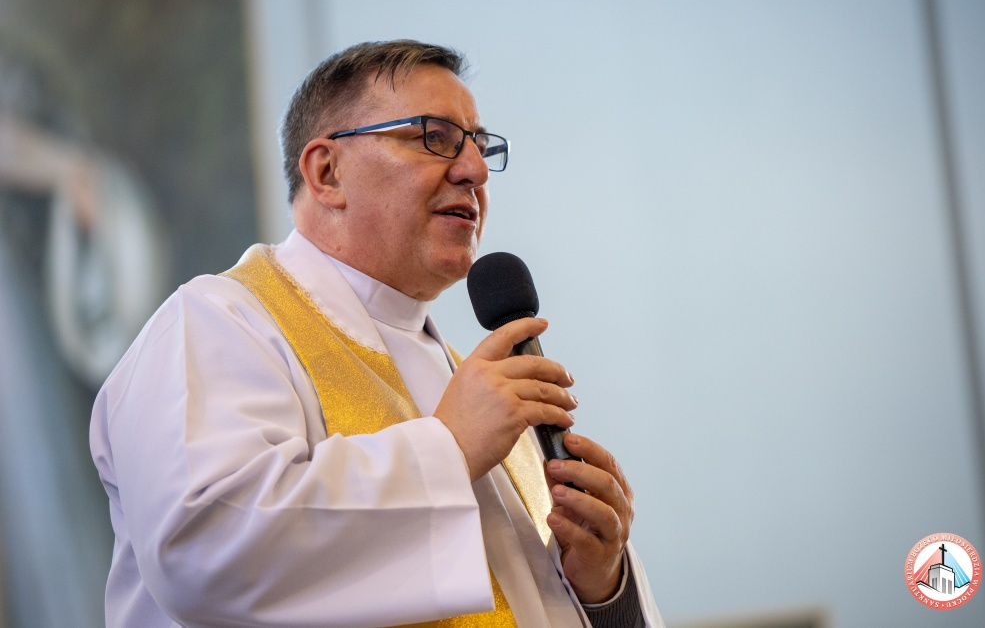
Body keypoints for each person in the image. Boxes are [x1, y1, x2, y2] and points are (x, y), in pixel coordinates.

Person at [90, 39, 664, 627]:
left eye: (479, 144)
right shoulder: (217, 324)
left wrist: (602, 588)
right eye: (434, 137)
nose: (473, 170)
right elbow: (204, 550)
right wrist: (449, 448)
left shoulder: (475, 388)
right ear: (327, 172)